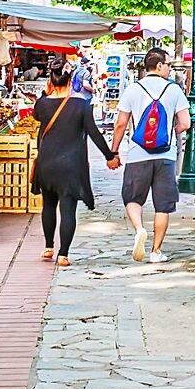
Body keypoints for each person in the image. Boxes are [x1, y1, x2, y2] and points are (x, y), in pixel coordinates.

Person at [32, 60, 119, 265]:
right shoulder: (81, 105)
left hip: (47, 163)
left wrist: (46, 93)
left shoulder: (42, 104)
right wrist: (110, 156)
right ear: (71, 81)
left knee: (48, 206)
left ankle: (48, 247)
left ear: (50, 81)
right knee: (68, 209)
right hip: (70, 166)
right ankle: (63, 254)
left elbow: (36, 115)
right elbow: (94, 134)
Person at [111, 47, 190, 264]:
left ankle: (139, 230)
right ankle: (156, 251)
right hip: (165, 156)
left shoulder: (133, 90)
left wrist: (114, 151)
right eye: (168, 65)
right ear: (158, 66)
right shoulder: (174, 91)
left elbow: (120, 124)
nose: (169, 69)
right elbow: (185, 123)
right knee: (163, 205)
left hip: (138, 154)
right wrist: (170, 134)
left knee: (132, 198)